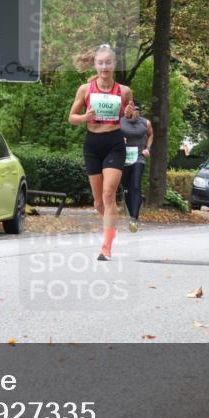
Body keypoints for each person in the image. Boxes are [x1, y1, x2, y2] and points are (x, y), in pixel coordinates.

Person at [69, 44, 134, 260]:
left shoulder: (124, 91)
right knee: (99, 202)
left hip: (114, 142)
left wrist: (129, 114)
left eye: (108, 62)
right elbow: (72, 117)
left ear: (114, 64)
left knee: (109, 194)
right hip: (92, 144)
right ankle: (111, 228)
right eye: (100, 62)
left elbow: (131, 118)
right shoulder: (85, 89)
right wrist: (85, 118)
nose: (104, 66)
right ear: (95, 65)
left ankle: (106, 247)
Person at [120, 100, 153, 233]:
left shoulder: (145, 122)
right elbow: (110, 133)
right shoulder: (121, 121)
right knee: (127, 188)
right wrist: (118, 139)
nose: (137, 114)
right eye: (135, 111)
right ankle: (131, 216)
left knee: (136, 185)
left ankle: (134, 218)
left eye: (138, 112)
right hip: (124, 158)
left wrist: (148, 149)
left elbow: (151, 135)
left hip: (139, 157)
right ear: (129, 111)